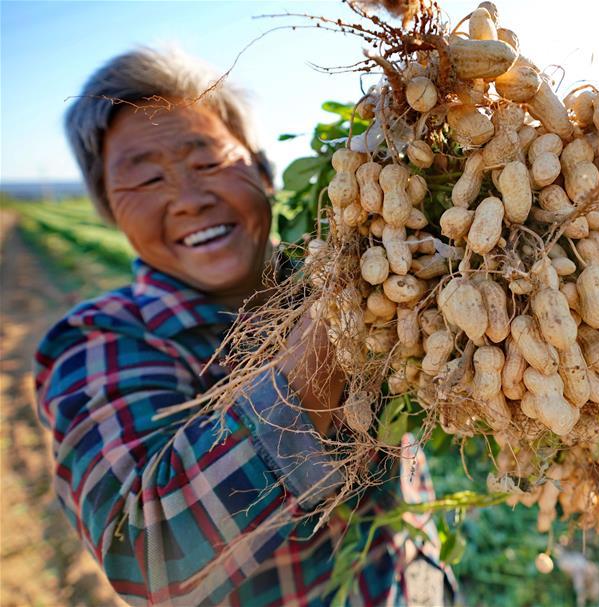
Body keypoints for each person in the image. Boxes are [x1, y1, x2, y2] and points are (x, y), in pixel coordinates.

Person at [33, 47, 453, 606]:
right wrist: (328, 335)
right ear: (111, 213)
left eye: (208, 162)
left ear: (264, 170)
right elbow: (145, 558)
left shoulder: (368, 268)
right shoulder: (97, 344)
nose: (189, 199)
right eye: (147, 180)